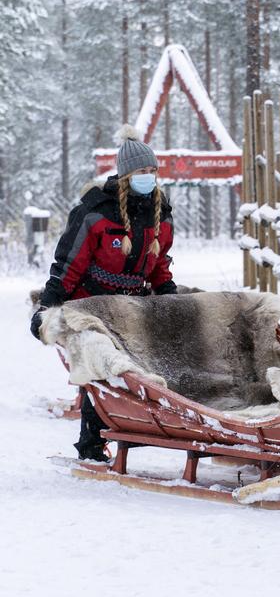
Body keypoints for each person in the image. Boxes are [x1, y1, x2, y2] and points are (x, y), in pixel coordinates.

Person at [30, 125, 177, 461]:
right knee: (103, 369)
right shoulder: (96, 212)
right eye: (142, 171)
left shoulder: (160, 214)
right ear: (126, 175)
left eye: (153, 171)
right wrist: (49, 305)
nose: (150, 177)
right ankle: (92, 444)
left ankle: (144, 428)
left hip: (133, 305)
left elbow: (159, 265)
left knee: (143, 367)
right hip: (91, 305)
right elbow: (69, 262)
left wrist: (170, 294)